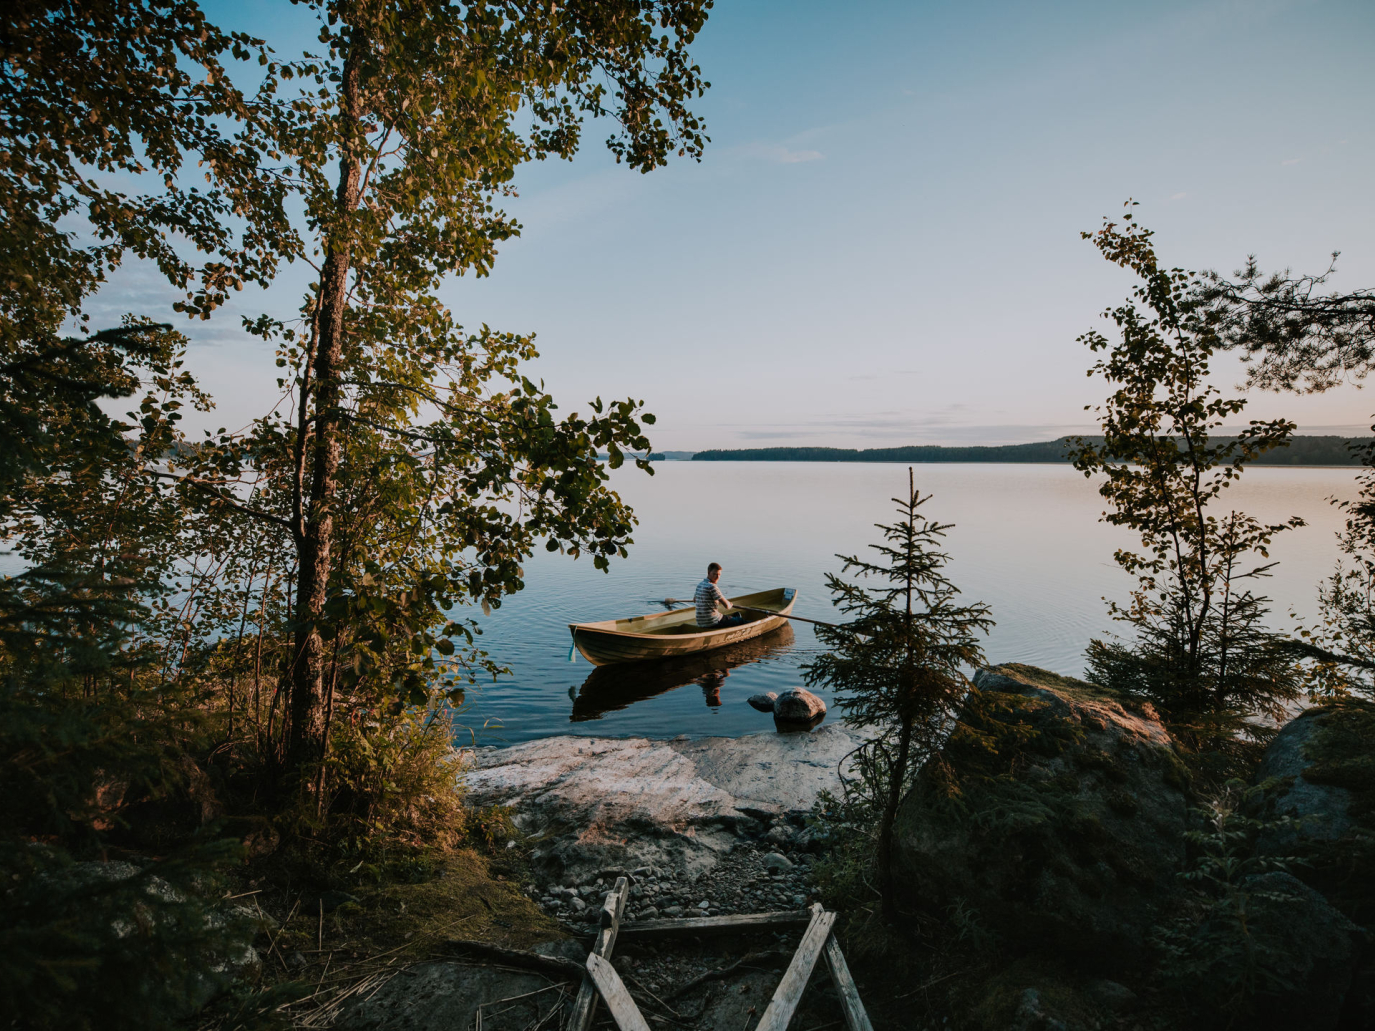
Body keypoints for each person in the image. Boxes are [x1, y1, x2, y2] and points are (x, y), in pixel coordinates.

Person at [694, 562, 745, 629]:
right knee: (740, 621)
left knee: (728, 617)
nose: (717, 577)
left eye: (719, 574)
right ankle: (738, 620)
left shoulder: (700, 585)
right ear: (709, 573)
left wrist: (713, 600)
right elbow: (727, 606)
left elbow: (694, 600)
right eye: (715, 574)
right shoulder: (712, 587)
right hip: (713, 622)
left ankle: (735, 618)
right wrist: (730, 604)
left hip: (700, 622)